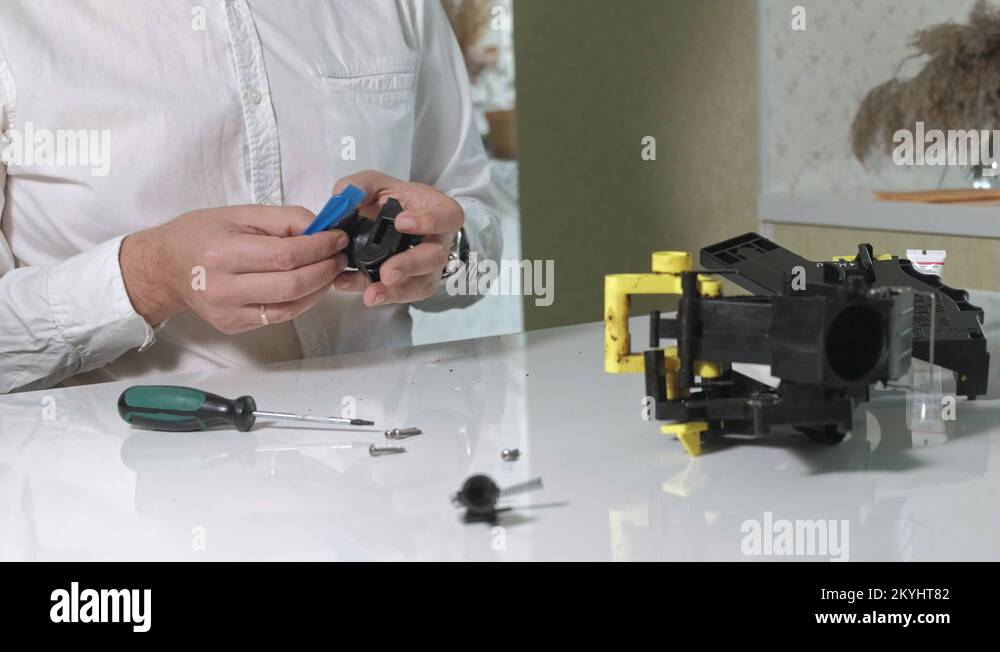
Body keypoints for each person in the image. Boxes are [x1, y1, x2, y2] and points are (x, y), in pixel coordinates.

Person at [0, 0, 499, 393]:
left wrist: (441, 256)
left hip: (384, 467)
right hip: (127, 488)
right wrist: (149, 278)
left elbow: (476, 242)